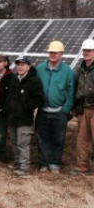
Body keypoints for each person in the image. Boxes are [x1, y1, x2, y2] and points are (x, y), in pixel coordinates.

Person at [35, 41, 75, 174]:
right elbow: (34, 87)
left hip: (59, 112)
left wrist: (65, 109)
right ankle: (43, 163)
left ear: (61, 54)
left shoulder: (67, 71)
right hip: (42, 111)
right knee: (42, 138)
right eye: (50, 52)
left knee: (58, 139)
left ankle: (54, 163)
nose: (52, 54)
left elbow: (71, 91)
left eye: (55, 52)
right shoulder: (40, 68)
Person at [6, 57, 44, 176]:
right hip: (12, 117)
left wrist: (26, 107)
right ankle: (17, 162)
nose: (20, 67)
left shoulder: (34, 80)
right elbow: (9, 96)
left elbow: (39, 99)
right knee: (14, 142)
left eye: (23, 65)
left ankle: (24, 167)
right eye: (18, 65)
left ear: (28, 66)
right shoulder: (14, 79)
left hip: (24, 118)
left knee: (23, 143)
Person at [70, 39, 94, 175]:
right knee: (82, 138)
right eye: (84, 50)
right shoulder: (79, 69)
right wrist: (74, 105)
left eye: (89, 50)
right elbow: (74, 88)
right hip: (83, 108)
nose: (86, 53)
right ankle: (82, 166)